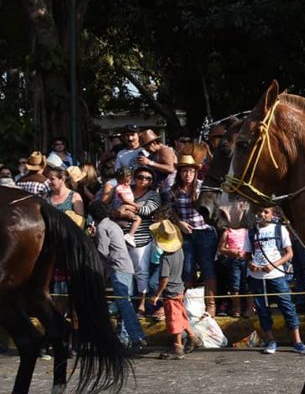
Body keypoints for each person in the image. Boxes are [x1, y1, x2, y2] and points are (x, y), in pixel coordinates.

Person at [244, 205, 305, 354]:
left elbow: (289, 253)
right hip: (256, 277)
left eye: (265, 212)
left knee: (287, 305)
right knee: (262, 309)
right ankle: (271, 340)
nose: (262, 214)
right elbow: (247, 254)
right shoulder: (251, 232)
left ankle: (297, 342)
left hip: (276, 275)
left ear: (272, 214)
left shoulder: (280, 230)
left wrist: (273, 265)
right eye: (260, 211)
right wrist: (250, 264)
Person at [89, 201, 146, 351]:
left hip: (118, 268)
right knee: (125, 305)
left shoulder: (102, 227)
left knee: (124, 305)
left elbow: (102, 252)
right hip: (127, 267)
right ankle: (125, 338)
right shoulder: (113, 224)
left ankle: (137, 338)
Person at [170, 154, 219, 316]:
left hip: (204, 231)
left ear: (195, 172)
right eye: (185, 171)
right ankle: (189, 303)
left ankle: (211, 304)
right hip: (186, 232)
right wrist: (179, 223)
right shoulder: (174, 190)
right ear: (180, 172)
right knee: (188, 267)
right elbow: (171, 211)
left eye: (191, 171)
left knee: (207, 266)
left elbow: (212, 208)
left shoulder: (201, 187)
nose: (188, 175)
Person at [148, 219, 202, 360]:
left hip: (171, 292)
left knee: (174, 320)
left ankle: (178, 346)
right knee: (181, 315)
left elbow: (164, 279)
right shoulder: (180, 251)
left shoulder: (166, 258)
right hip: (179, 287)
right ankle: (192, 337)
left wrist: (156, 294)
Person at [111, 165, 161, 312]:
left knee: (141, 271)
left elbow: (147, 210)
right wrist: (122, 211)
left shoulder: (153, 195)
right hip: (121, 236)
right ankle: (123, 303)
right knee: (121, 271)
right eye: (140, 177)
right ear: (134, 178)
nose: (143, 180)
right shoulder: (125, 189)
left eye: (148, 178)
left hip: (142, 239)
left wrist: (127, 207)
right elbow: (113, 209)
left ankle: (141, 304)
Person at [217, 225, 252, 317]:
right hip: (233, 260)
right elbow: (221, 248)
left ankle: (250, 307)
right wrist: (230, 251)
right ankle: (237, 307)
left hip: (246, 260)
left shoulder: (247, 231)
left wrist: (247, 253)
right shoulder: (227, 232)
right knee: (234, 284)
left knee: (247, 284)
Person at [137, 129, 177, 193]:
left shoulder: (164, 151)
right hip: (160, 188)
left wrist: (150, 162)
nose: (146, 150)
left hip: (169, 189)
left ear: (154, 143)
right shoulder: (155, 153)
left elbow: (170, 168)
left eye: (146, 147)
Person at [111, 167, 142, 246]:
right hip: (122, 206)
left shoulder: (127, 186)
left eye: (129, 181)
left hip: (128, 205)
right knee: (138, 219)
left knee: (127, 221)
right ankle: (130, 235)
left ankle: (122, 225)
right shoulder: (119, 187)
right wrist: (134, 204)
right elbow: (124, 199)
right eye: (124, 182)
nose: (127, 183)